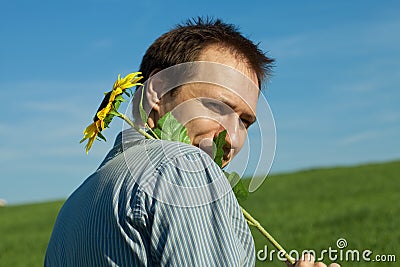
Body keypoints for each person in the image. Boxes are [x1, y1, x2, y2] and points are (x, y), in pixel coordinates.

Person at [45, 18, 339, 267]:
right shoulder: (183, 166)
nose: (234, 140)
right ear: (158, 91)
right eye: (217, 106)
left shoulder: (71, 211)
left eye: (245, 121)